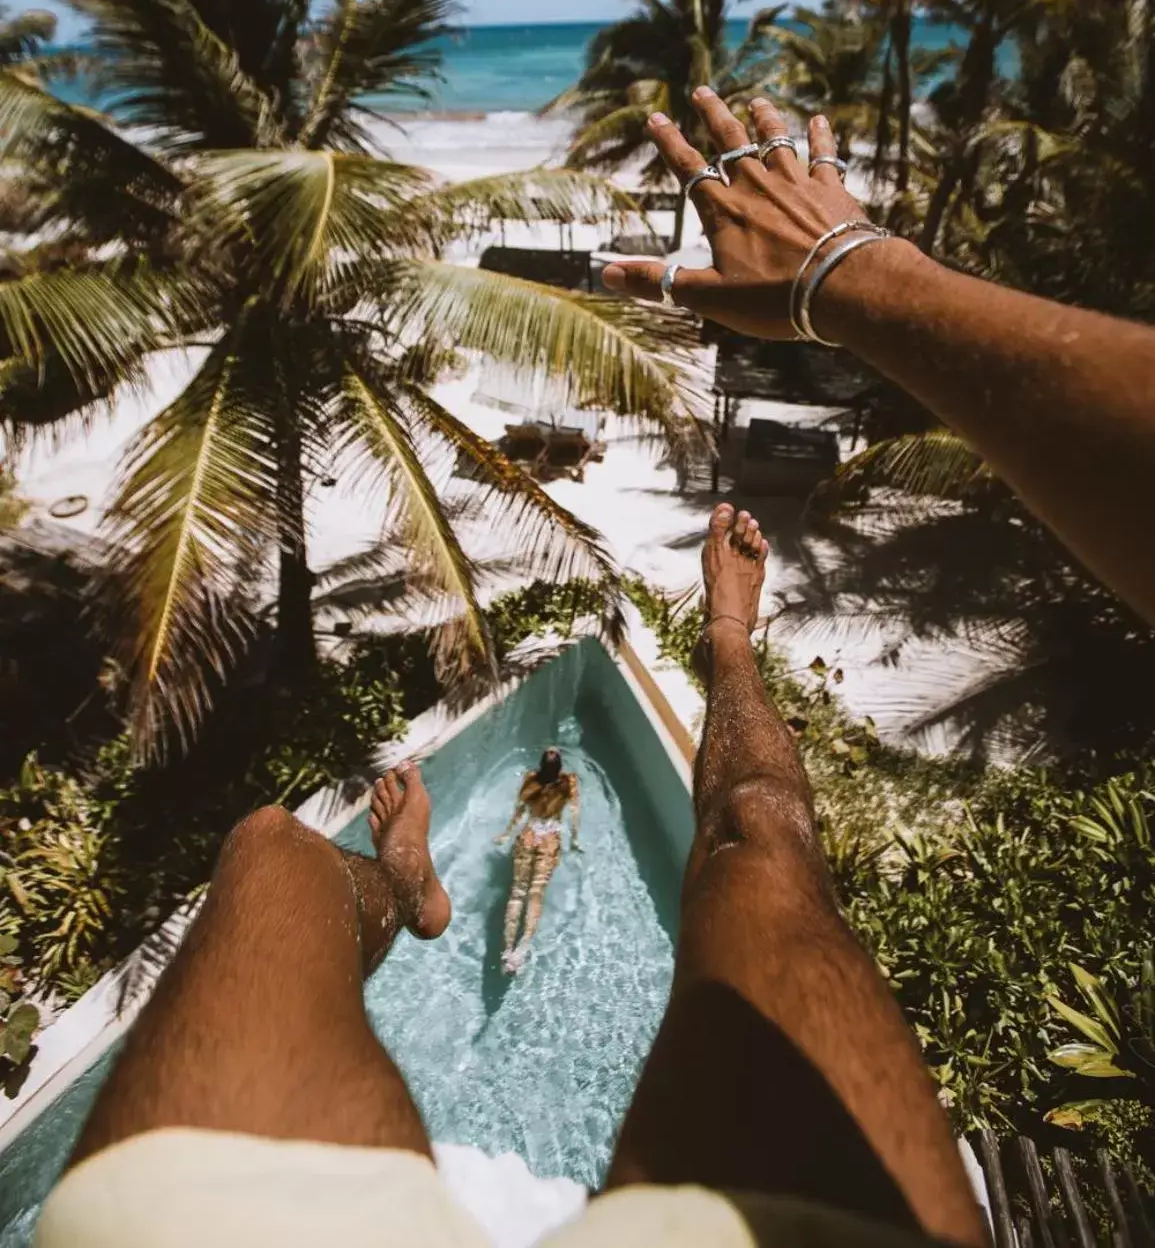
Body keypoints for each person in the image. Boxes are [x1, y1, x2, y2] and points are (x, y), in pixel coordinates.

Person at [36, 87, 1155, 1247]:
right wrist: (852, 272)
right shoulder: (552, 794)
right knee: (756, 835)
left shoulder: (544, 792)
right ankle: (725, 646)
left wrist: (848, 272)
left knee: (271, 846)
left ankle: (401, 889)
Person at [494, 745, 581, 974]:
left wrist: (506, 833)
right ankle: (521, 950)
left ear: (540, 766)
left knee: (517, 893)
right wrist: (574, 841)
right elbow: (574, 816)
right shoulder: (569, 783)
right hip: (550, 838)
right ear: (560, 767)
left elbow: (519, 810)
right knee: (536, 893)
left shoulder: (530, 779)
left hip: (529, 835)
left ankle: (506, 951)